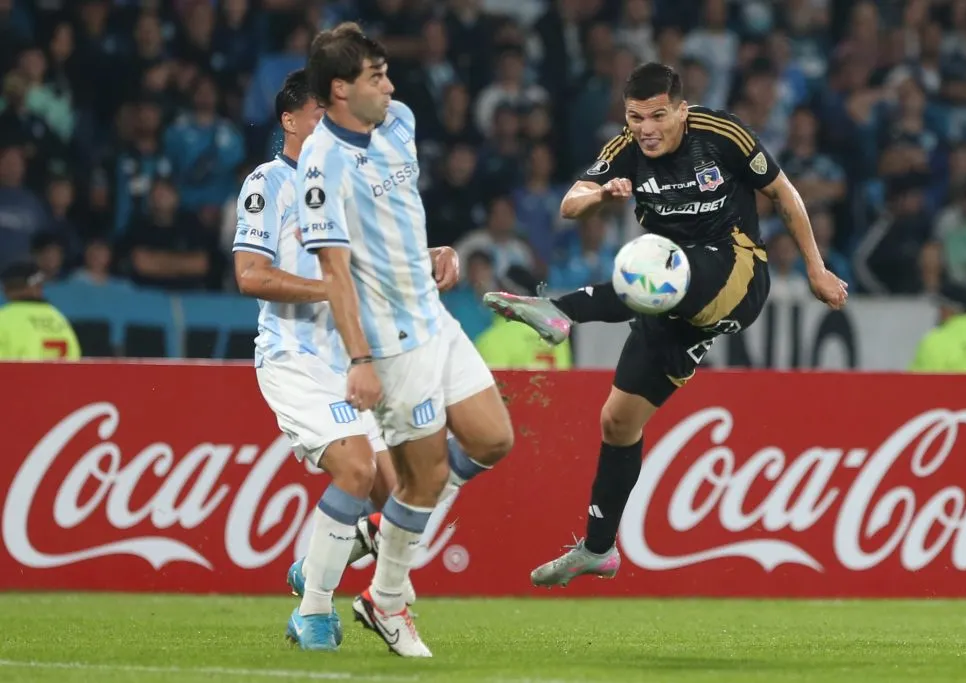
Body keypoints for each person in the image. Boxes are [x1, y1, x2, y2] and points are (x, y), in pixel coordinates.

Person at [484, 62, 848, 587]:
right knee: (617, 421)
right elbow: (569, 203)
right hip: (669, 299)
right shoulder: (625, 149)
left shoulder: (722, 134)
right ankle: (598, 548)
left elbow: (784, 193)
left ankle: (561, 311)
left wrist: (815, 267)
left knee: (655, 266)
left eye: (658, 115)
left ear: (681, 109)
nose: (647, 128)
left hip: (736, 269)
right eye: (636, 117)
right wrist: (600, 197)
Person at [295, 23, 515, 657]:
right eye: (375, 77)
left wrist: (434, 250)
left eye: (387, 72)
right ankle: (387, 601)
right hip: (392, 345)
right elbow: (336, 271)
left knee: (494, 438)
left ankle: (381, 536)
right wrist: (359, 359)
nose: (390, 85)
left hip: (434, 317)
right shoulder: (321, 166)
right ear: (339, 90)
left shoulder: (399, 121)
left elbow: (396, 218)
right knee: (423, 480)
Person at [231, 70, 460, 651]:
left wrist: (432, 255)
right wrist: (330, 291)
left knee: (406, 493)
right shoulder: (270, 183)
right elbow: (250, 275)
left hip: (361, 360)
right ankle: (313, 614)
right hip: (297, 359)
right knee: (356, 471)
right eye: (323, 117)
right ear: (290, 120)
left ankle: (319, 563)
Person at [0, 261, 80, 360]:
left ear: (7, 289)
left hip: (21, 376)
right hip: (62, 375)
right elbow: (75, 358)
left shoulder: (4, 318)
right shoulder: (57, 317)